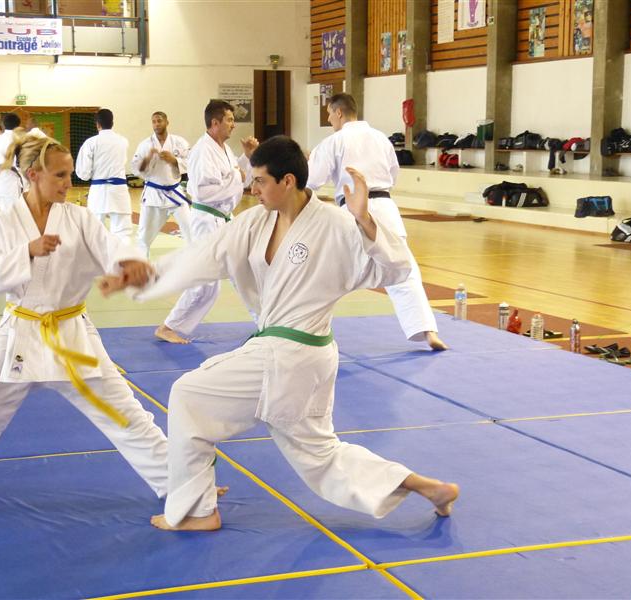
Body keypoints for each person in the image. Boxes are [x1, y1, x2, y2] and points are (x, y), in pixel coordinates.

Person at [99, 136, 459, 531]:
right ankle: (429, 488)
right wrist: (148, 275)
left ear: (287, 181)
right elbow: (205, 255)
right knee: (322, 456)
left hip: (290, 354)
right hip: (300, 358)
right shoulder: (255, 221)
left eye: (260, 181)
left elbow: (396, 269)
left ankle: (197, 511)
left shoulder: (336, 224)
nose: (252, 189)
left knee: (188, 396)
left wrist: (365, 221)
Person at [0, 132, 170, 504]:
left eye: (69, 174)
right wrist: (27, 250)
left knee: (124, 413)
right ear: (33, 175)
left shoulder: (79, 218)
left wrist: (128, 265)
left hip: (71, 334)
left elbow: (111, 246)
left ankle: (179, 483)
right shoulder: (5, 223)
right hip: (20, 330)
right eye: (60, 175)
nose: (69, 183)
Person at [307, 93, 448, 351]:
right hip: (385, 206)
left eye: (329, 114)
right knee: (404, 270)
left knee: (327, 269)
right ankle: (427, 332)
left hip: (352, 209)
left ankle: (302, 326)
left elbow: (312, 180)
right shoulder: (381, 138)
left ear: (339, 112)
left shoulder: (334, 141)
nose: (329, 120)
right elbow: (393, 175)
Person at [155, 100, 258, 344]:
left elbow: (239, 179)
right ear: (215, 123)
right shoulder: (203, 150)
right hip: (207, 221)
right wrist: (237, 176)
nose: (233, 125)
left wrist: (247, 158)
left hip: (224, 220)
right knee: (205, 284)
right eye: (229, 120)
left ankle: (268, 323)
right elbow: (203, 192)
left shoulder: (224, 149)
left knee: (244, 272)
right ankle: (168, 327)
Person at [132, 112, 192, 257]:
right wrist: (148, 159)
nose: (156, 124)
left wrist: (174, 160)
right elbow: (135, 168)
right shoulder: (145, 145)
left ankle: (193, 264)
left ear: (167, 122)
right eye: (154, 122)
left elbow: (192, 162)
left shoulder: (179, 142)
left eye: (159, 121)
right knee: (144, 237)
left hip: (175, 194)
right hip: (153, 195)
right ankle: (142, 265)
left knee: (191, 231)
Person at [75, 108, 133, 241]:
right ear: (112, 123)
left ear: (97, 124)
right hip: (119, 190)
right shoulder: (123, 141)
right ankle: (122, 254)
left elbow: (83, 173)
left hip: (98, 190)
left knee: (94, 232)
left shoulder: (91, 143)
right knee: (122, 232)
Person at [0, 113, 24, 211]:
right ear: (18, 125)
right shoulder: (19, 139)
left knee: (4, 210)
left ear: (3, 125)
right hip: (11, 179)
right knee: (13, 211)